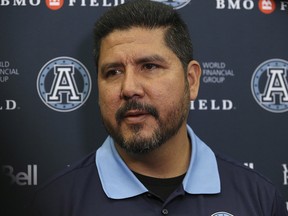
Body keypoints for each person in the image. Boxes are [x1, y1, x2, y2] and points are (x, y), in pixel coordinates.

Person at [28, 0, 288, 215]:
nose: (129, 88)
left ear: (192, 81)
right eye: (113, 71)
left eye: (149, 67)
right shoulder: (54, 203)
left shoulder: (259, 199)